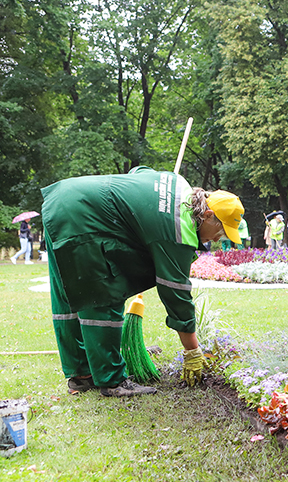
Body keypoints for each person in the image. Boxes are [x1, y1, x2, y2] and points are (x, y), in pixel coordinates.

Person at [41, 166, 244, 397]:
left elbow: (139, 171)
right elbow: (176, 292)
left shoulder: (177, 183)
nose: (218, 239)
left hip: (65, 199)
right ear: (207, 215)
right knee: (103, 290)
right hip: (83, 215)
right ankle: (112, 380)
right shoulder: (180, 228)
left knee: (67, 292)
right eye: (220, 231)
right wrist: (192, 351)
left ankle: (81, 375)